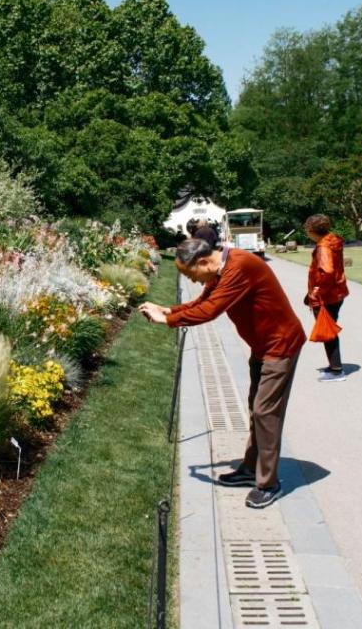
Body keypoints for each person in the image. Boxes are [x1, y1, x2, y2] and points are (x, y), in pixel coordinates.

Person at [139, 239, 305, 508]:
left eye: (191, 274)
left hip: (281, 345)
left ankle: (269, 483)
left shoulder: (239, 267)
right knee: (257, 408)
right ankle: (251, 470)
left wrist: (168, 320)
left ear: (203, 261)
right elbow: (204, 300)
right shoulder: (221, 269)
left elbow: (211, 310)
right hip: (262, 346)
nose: (192, 280)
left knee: (265, 412)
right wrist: (169, 310)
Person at [303, 214, 349, 382]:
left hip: (327, 296)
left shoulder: (323, 247)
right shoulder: (333, 240)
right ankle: (334, 366)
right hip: (337, 292)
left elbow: (327, 271)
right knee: (329, 329)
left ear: (312, 230)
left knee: (327, 331)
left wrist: (315, 291)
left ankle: (337, 371)